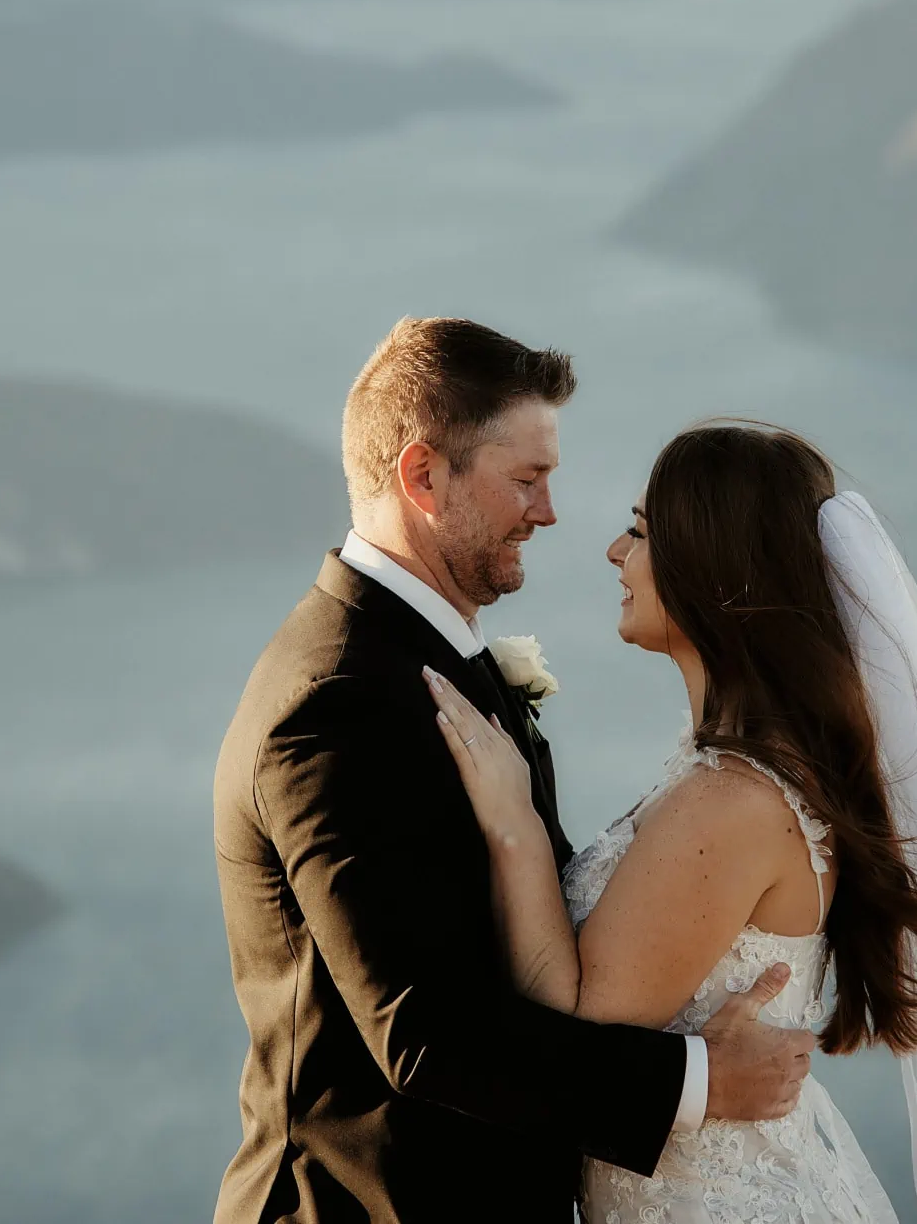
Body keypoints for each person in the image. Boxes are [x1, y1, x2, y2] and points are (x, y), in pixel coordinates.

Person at [423, 420, 917, 1223]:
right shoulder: (744, 774)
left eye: (641, 531)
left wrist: (514, 827)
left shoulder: (734, 800)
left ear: (714, 567)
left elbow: (576, 1037)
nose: (615, 553)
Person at [212, 320, 816, 1224]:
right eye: (526, 479)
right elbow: (422, 1034)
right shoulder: (339, 701)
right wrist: (698, 1079)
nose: (550, 512)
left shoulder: (436, 662)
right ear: (423, 477)